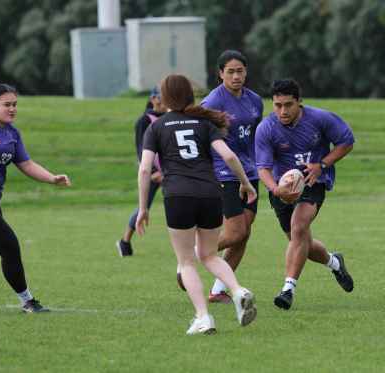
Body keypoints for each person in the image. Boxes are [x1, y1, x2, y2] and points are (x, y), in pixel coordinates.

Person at [136, 74, 257, 334]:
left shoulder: (156, 127)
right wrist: (245, 183)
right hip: (210, 193)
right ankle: (237, 290)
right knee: (209, 255)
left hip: (178, 196)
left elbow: (145, 170)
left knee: (187, 261)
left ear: (165, 97)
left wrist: (143, 208)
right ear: (190, 95)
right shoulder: (204, 123)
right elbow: (229, 155)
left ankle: (203, 317)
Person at [0, 84, 71, 313]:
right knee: (9, 245)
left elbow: (25, 163)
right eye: (7, 104)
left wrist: (51, 178)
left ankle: (27, 301)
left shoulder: (12, 133)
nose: (12, 109)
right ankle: (28, 301)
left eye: (15, 104)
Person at [255, 78, 355, 311]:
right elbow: (263, 168)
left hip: (313, 182)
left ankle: (288, 289)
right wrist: (275, 189)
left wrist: (323, 163)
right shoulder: (266, 128)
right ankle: (334, 262)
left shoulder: (320, 119)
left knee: (299, 227)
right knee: (301, 244)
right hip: (281, 188)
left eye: (288, 105)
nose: (282, 111)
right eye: (277, 105)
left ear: (299, 102)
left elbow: (346, 141)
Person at [198, 50, 264, 303]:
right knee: (235, 233)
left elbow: (256, 135)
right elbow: (200, 139)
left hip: (250, 171)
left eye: (240, 71)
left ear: (246, 72)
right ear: (220, 74)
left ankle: (217, 290)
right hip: (223, 172)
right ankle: (190, 258)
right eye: (230, 72)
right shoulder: (212, 103)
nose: (236, 76)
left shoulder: (255, 100)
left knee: (244, 233)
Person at [116, 87, 166, 256]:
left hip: (170, 172)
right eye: (160, 96)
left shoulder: (170, 118)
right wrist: (152, 171)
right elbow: (141, 148)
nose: (163, 100)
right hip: (152, 173)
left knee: (180, 205)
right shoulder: (144, 121)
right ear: (153, 98)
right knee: (143, 208)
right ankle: (125, 242)